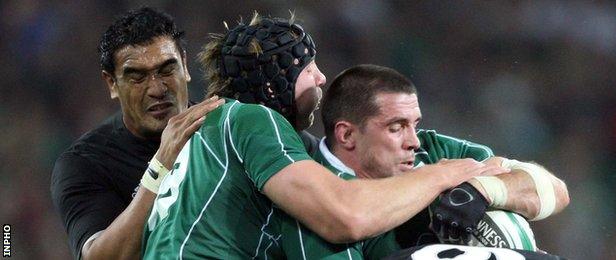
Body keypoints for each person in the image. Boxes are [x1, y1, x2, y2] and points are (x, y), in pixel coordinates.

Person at [142, 13, 509, 259]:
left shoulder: (209, 127)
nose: (321, 79)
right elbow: (343, 216)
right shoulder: (251, 119)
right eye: (308, 67)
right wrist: (442, 174)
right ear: (274, 84)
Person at [278, 64, 570, 258]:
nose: (413, 141)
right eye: (396, 128)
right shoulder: (316, 198)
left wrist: (483, 190)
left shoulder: (432, 150)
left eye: (414, 124)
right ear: (347, 135)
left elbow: (556, 191)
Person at [50, 7, 226, 260]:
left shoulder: (229, 127)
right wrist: (161, 164)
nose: (156, 88)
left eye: (166, 70)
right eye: (137, 78)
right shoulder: (85, 163)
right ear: (112, 83)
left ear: (185, 66)